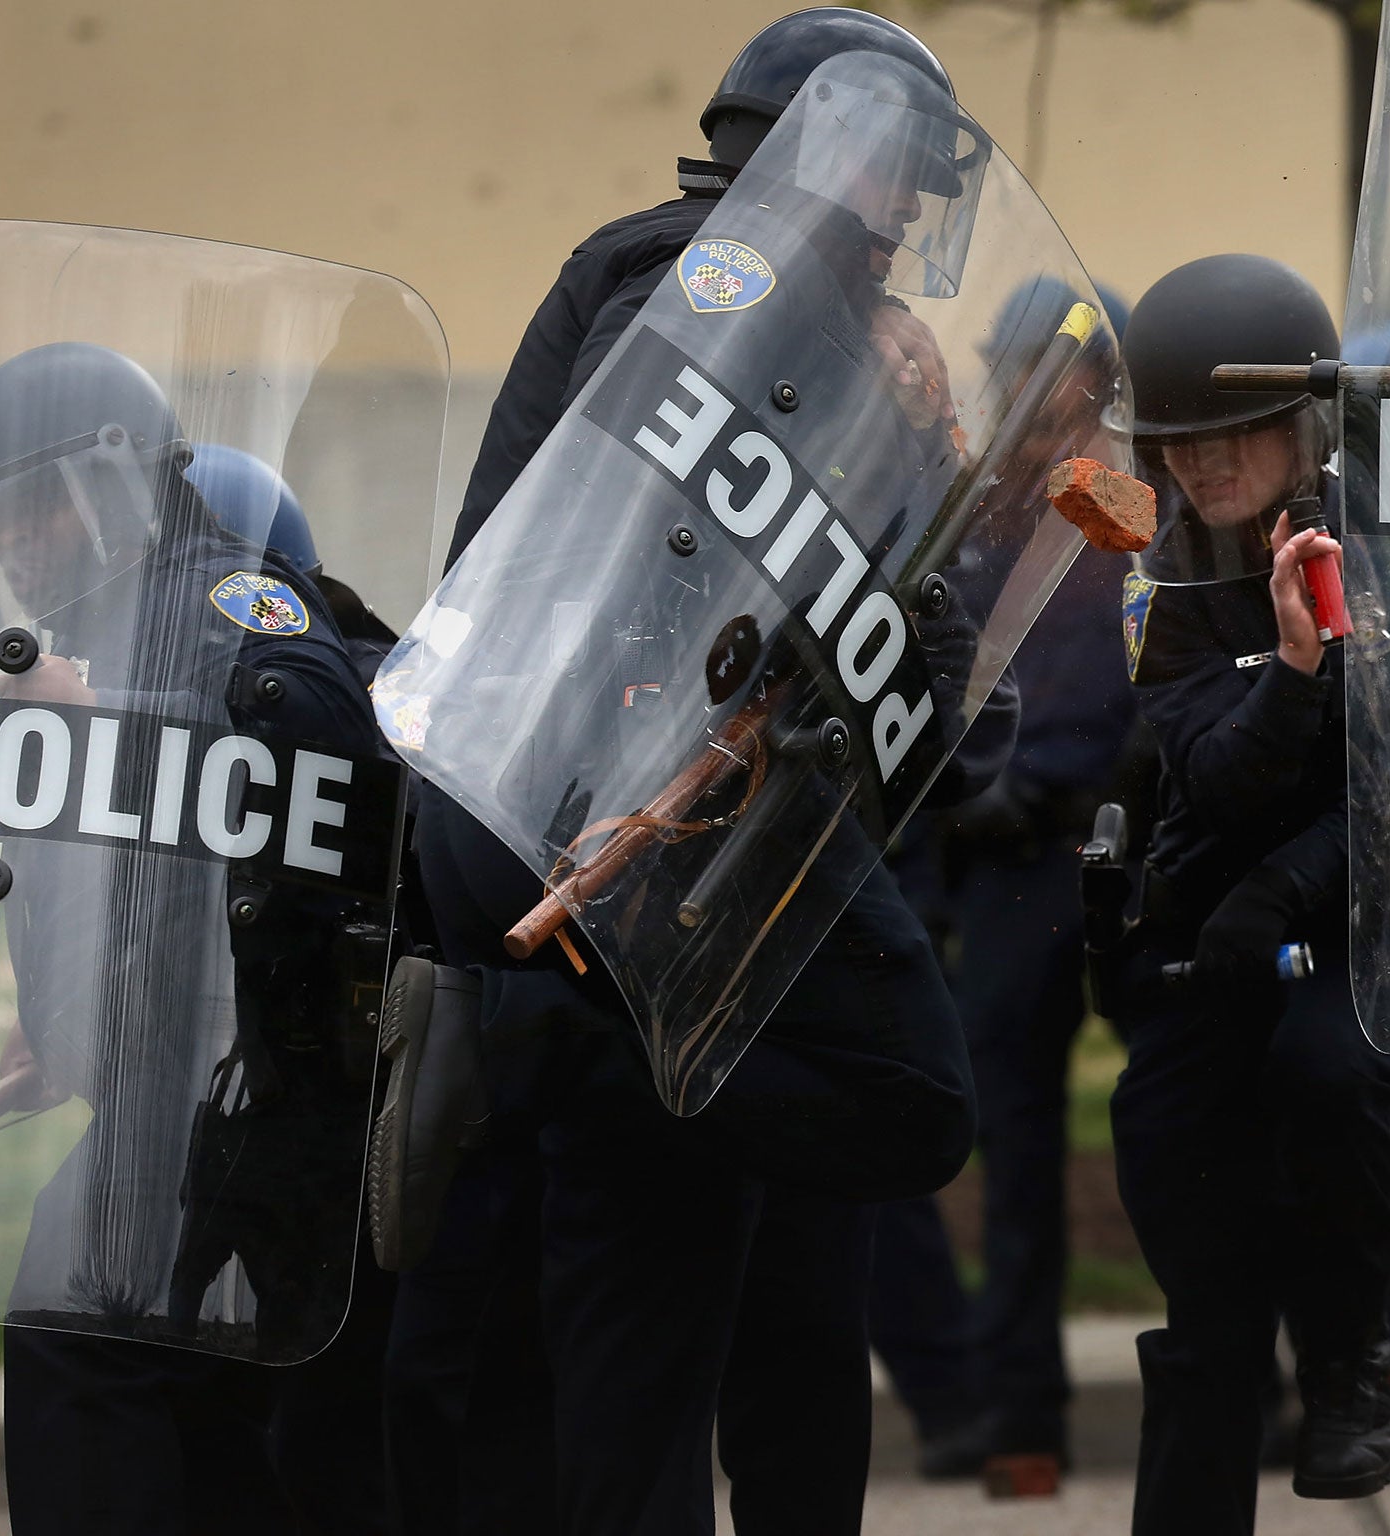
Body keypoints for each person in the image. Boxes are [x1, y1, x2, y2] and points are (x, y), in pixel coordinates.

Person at [384, 15, 1075, 1532]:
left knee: (798, 1327)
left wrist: (928, 459)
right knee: (752, 1225)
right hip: (614, 849)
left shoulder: (857, 377)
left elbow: (941, 697)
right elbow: (628, 549)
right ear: (825, 149)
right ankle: (572, 1047)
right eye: (903, 177)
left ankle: (579, 1052)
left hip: (743, 904)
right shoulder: (702, 273)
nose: (909, 218)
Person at [0, 344, 398, 1532]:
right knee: (221, 1412)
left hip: (272, 1084)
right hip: (177, 1082)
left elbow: (320, 731)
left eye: (30, 507)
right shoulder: (107, 625)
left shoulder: (225, 591)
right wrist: (70, 1023)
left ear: (108, 483)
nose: (14, 545)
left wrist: (98, 720)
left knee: (86, 1343)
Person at [1108, 254, 1390, 1533]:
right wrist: (1289, 669)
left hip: (1362, 907)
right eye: (1175, 441)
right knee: (1165, 1135)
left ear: (1303, 425)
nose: (1198, 467)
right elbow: (1213, 778)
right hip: (1214, 912)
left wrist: (1289, 887)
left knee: (1327, 1078)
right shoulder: (1154, 578)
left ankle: (1351, 1362)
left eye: (1230, 434)